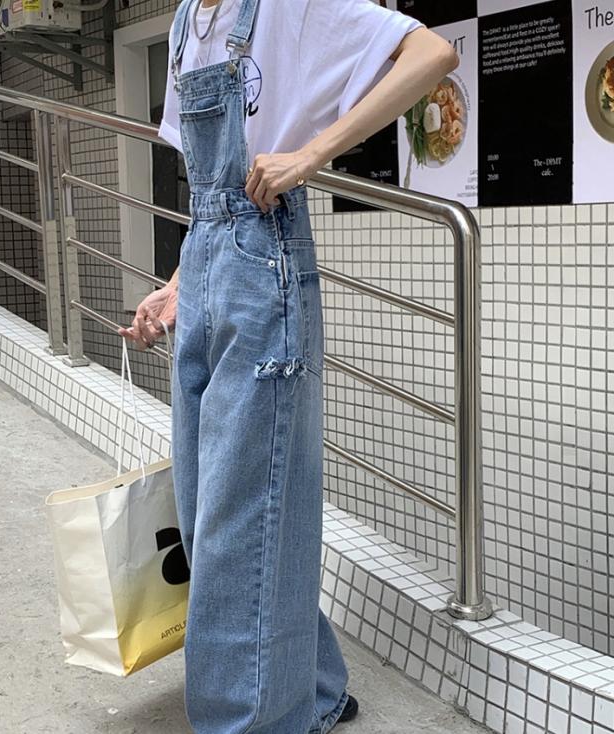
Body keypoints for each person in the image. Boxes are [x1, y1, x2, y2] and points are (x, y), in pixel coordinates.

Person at [119, 1, 458, 732]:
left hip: (263, 259)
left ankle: (252, 722)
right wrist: (177, 287)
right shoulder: (184, 23)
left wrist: (311, 156)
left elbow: (431, 54)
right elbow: (208, 196)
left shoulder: (289, 6)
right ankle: (315, 687)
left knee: (241, 516)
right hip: (207, 260)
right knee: (210, 508)